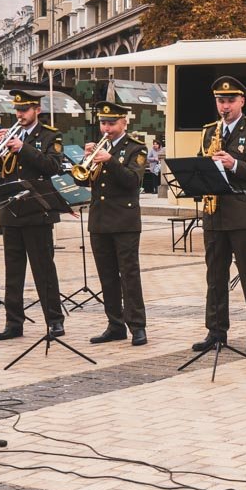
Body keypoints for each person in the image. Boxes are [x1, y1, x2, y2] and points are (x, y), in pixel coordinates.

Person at [190, 76, 246, 356]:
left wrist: (235, 164)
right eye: (220, 101)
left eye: (230, 101)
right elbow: (198, 167)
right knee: (215, 276)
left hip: (243, 213)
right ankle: (216, 331)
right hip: (214, 214)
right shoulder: (208, 131)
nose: (224, 106)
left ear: (242, 101)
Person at [0, 90, 66, 340]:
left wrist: (23, 148)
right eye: (17, 110)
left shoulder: (49, 135)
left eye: (24, 110)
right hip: (11, 212)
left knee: (43, 270)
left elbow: (52, 166)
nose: (19, 114)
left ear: (37, 110)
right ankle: (14, 323)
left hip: (37, 211)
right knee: (13, 273)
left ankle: (55, 320)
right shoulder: (8, 135)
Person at [76, 102, 148, 346]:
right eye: (104, 123)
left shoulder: (136, 149)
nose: (107, 128)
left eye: (112, 123)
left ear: (124, 123)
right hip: (99, 220)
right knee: (107, 276)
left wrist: (110, 161)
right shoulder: (99, 149)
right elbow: (86, 182)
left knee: (129, 275)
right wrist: (88, 161)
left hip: (124, 221)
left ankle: (137, 326)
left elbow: (132, 181)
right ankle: (115, 324)